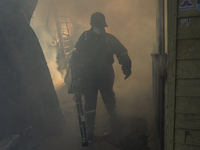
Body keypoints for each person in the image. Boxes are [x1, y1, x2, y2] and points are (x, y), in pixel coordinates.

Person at [74, 12, 132, 143]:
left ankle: (112, 117)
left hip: (105, 75)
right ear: (92, 25)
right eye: (98, 26)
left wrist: (126, 67)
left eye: (102, 26)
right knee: (89, 102)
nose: (101, 29)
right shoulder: (84, 37)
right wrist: (76, 73)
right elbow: (76, 55)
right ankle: (90, 130)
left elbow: (122, 52)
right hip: (88, 76)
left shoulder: (109, 38)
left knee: (108, 96)